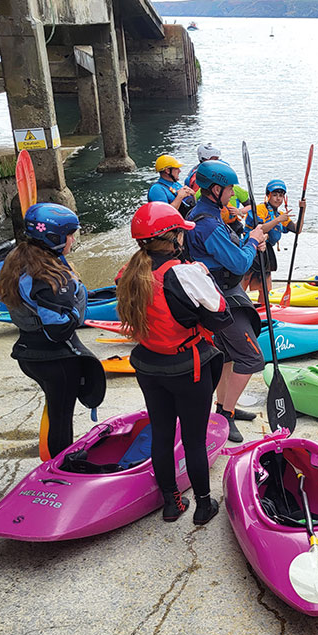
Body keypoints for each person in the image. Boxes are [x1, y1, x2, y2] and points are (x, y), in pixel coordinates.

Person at [117, 203, 229, 524]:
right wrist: (203, 277)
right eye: (181, 232)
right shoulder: (185, 272)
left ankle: (171, 502)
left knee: (162, 434)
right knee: (194, 440)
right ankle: (204, 506)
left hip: (149, 366)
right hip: (186, 367)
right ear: (174, 237)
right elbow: (221, 313)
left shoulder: (129, 272)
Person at [0, 203, 105, 461]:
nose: (73, 239)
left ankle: (59, 456)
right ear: (54, 238)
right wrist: (76, 302)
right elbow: (59, 330)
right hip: (55, 359)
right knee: (61, 417)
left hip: (28, 353)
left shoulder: (15, 260)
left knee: (57, 408)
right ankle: (61, 465)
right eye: (70, 235)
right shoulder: (50, 278)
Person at [185, 160, 268, 442]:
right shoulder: (208, 224)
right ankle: (226, 414)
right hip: (223, 299)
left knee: (228, 356)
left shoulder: (207, 214)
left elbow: (231, 249)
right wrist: (252, 242)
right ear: (215, 189)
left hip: (222, 293)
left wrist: (250, 241)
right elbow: (239, 263)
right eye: (230, 189)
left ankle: (223, 407)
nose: (233, 194)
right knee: (252, 357)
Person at [247, 179, 305, 303]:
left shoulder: (281, 215)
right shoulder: (259, 209)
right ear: (268, 195)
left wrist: (302, 210)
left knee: (265, 288)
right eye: (274, 195)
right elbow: (260, 229)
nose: (278, 199)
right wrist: (278, 220)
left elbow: (297, 229)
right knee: (244, 281)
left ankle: (263, 307)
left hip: (266, 251)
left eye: (281, 195)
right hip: (251, 248)